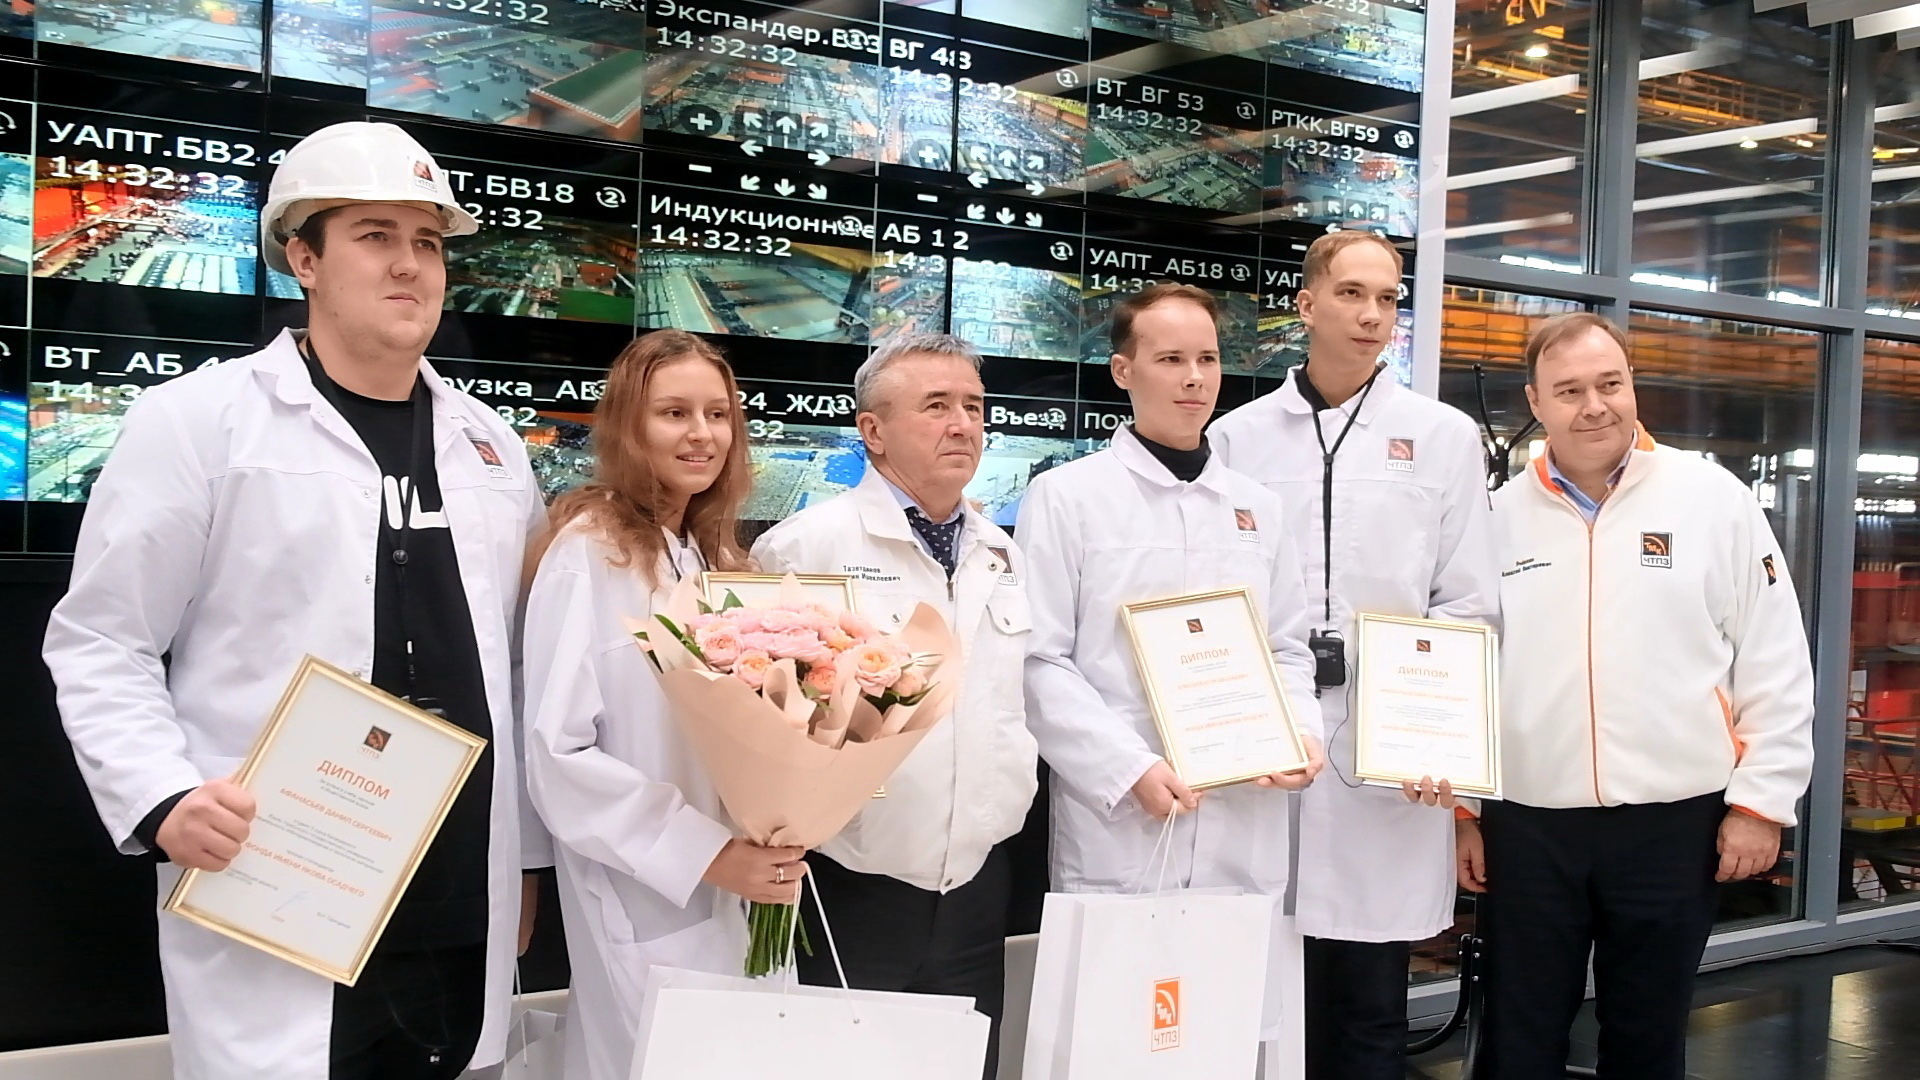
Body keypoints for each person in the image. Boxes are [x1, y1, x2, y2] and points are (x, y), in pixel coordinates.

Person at [41, 121, 549, 1080]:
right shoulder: (200, 423)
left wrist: (528, 861)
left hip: (455, 890)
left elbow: (518, 671)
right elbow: (103, 639)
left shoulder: (491, 447)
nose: (409, 264)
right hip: (279, 874)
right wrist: (160, 796)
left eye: (428, 241)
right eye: (374, 235)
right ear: (303, 258)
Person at [1468, 312, 1815, 1079]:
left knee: (1647, 1037)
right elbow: (1465, 669)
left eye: (1610, 384)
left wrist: (1762, 802)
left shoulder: (1712, 499)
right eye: (1569, 391)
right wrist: (1463, 813)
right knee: (1518, 1038)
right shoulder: (1493, 518)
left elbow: (1775, 658)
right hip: (1528, 825)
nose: (1594, 406)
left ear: (1632, 386)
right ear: (1536, 401)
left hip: (1675, 822)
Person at [1210, 231, 1500, 1080]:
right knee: (1260, 996)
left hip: (1390, 756)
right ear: (1306, 305)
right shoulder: (1237, 439)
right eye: (1351, 294)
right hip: (1269, 743)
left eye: (1388, 298)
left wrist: (1443, 746)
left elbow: (1469, 601)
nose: (1373, 315)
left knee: (1370, 1002)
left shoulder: (1443, 437)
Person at [1017, 282, 1327, 1062]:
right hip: (1124, 819)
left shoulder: (1257, 508)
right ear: (1123, 371)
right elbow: (1038, 659)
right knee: (1115, 1044)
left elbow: (1287, 648)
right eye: (1170, 359)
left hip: (1241, 815)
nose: (1194, 378)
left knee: (1225, 1040)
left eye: (1208, 359)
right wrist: (1128, 768)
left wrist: (1297, 732)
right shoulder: (1067, 497)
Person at [521, 329, 807, 1080]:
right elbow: (558, 756)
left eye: (718, 414)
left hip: (744, 890)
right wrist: (708, 855)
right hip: (648, 895)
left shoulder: (715, 556)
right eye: (674, 413)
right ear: (629, 425)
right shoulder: (588, 552)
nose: (701, 434)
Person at [752, 333, 1038, 1079]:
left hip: (977, 884)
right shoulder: (804, 548)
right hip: (851, 883)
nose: (962, 424)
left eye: (973, 406)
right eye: (936, 406)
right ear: (872, 430)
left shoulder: (1002, 553)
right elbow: (764, 729)